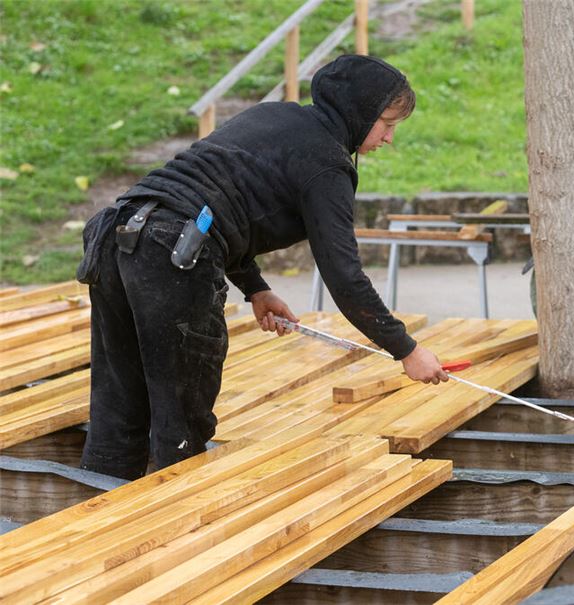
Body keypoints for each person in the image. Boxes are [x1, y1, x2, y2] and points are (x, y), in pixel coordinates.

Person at [75, 55, 448, 480]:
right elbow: (345, 277)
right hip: (170, 253)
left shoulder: (275, 115)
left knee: (117, 407)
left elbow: (212, 203)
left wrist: (255, 288)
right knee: (180, 424)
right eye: (386, 123)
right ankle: (179, 516)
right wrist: (407, 350)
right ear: (360, 111)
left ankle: (97, 506)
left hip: (116, 234)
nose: (389, 138)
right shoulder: (327, 165)